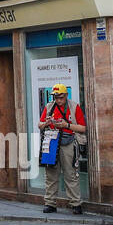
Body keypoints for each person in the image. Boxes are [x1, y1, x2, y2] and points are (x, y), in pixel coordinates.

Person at [38, 83, 86, 214]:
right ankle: (50, 203)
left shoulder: (74, 106)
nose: (58, 100)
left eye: (61, 97)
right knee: (51, 174)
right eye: (56, 97)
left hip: (69, 141)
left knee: (70, 173)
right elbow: (40, 125)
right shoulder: (49, 107)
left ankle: (75, 204)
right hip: (52, 141)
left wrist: (67, 125)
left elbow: (82, 128)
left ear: (66, 95)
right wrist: (47, 123)